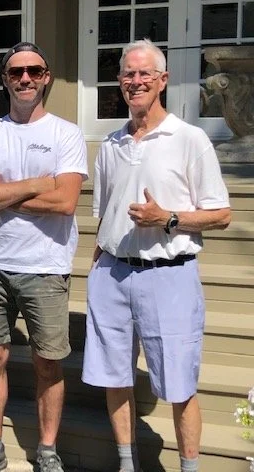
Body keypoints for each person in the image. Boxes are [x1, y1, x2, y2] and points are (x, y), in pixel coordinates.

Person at [81, 38, 231, 472]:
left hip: (170, 276)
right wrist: (97, 265)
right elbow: (106, 216)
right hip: (112, 275)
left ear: (163, 80)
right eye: (128, 73)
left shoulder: (190, 139)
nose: (136, 81)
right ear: (120, 82)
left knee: (180, 385)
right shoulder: (111, 144)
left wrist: (167, 218)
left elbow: (221, 214)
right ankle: (127, 465)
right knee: (114, 378)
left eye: (145, 73)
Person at [0, 42, 88, 472]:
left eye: (34, 71)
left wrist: (0, 192)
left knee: (48, 363)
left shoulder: (66, 134)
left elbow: (65, 203)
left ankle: (48, 450)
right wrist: (37, 183)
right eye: (16, 72)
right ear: (5, 80)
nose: (25, 79)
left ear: (46, 77)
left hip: (46, 266)